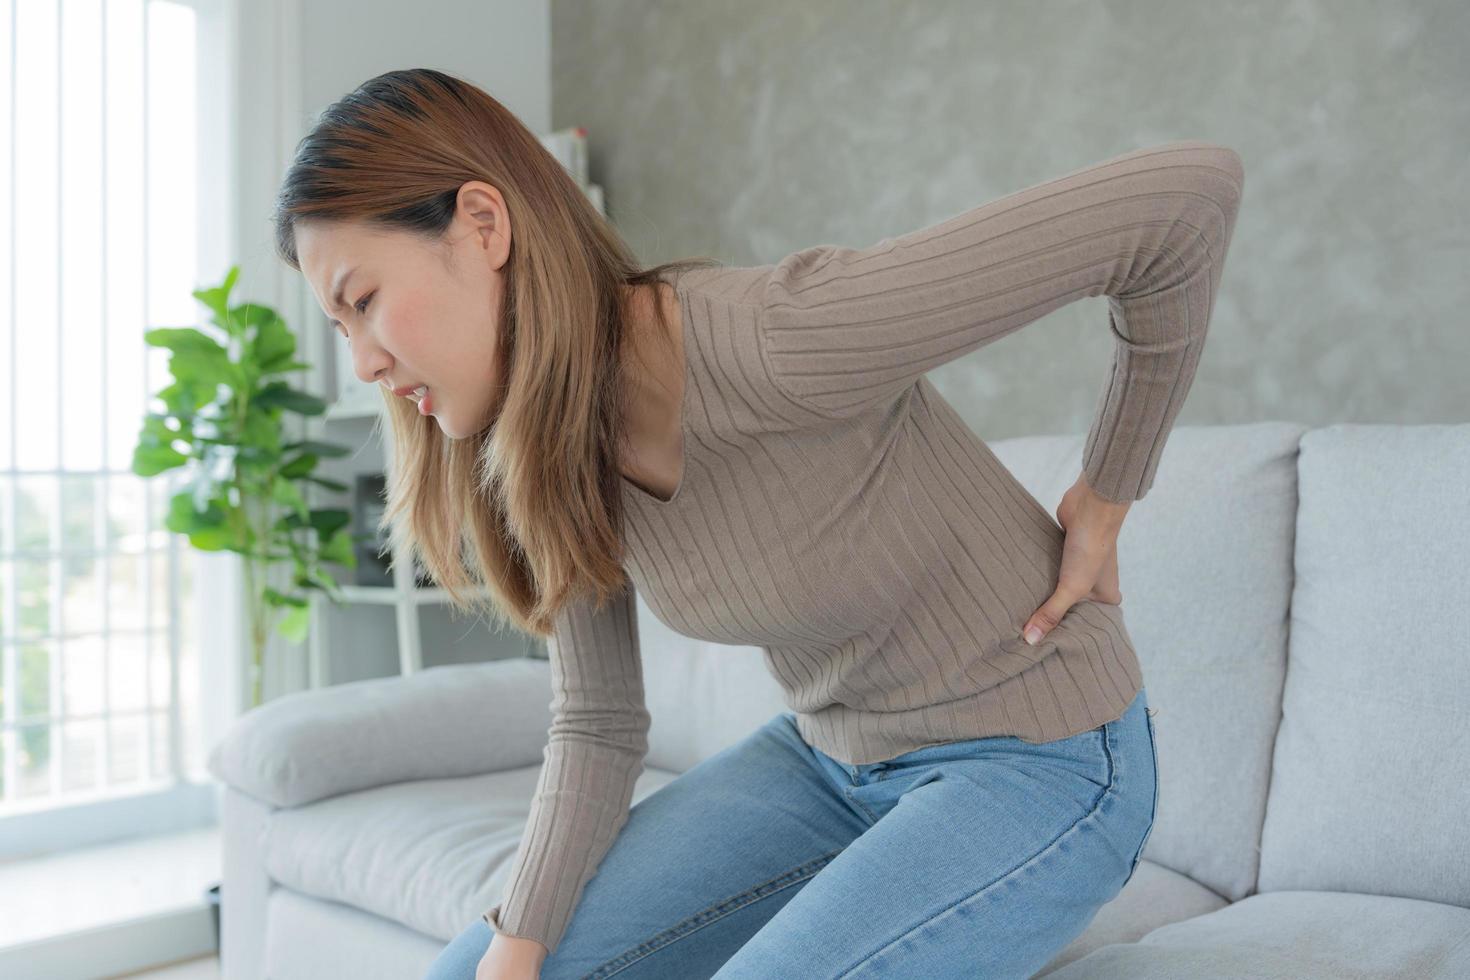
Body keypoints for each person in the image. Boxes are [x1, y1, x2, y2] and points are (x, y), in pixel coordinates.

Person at [277, 67, 1242, 980]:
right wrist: (520, 941)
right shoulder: (537, 445)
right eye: (339, 327)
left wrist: (1107, 494)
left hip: (1043, 760)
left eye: (363, 301)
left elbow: (1185, 202)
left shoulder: (773, 340)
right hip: (827, 765)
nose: (363, 362)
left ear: (483, 222)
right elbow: (598, 723)